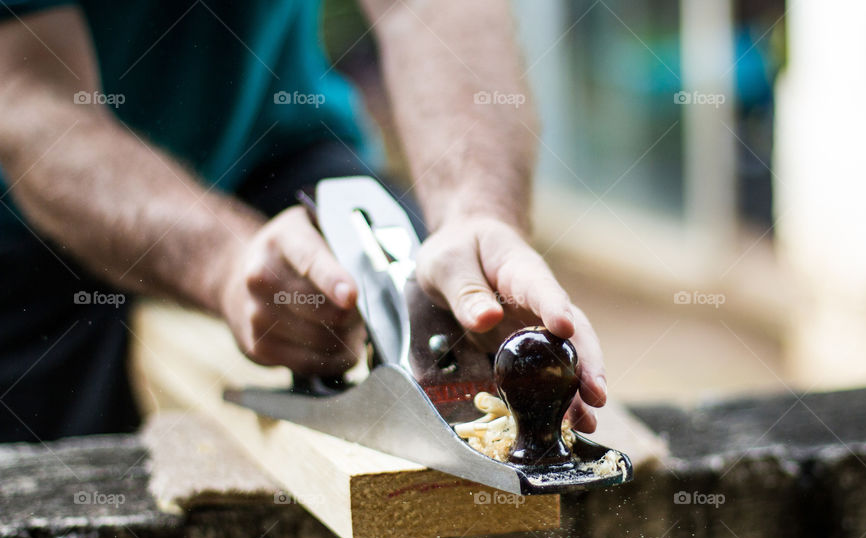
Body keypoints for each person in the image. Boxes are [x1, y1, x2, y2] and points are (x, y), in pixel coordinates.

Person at [0, 0, 607, 442]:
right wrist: (223, 264)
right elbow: (28, 99)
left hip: (278, 147)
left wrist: (475, 213)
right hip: (42, 228)